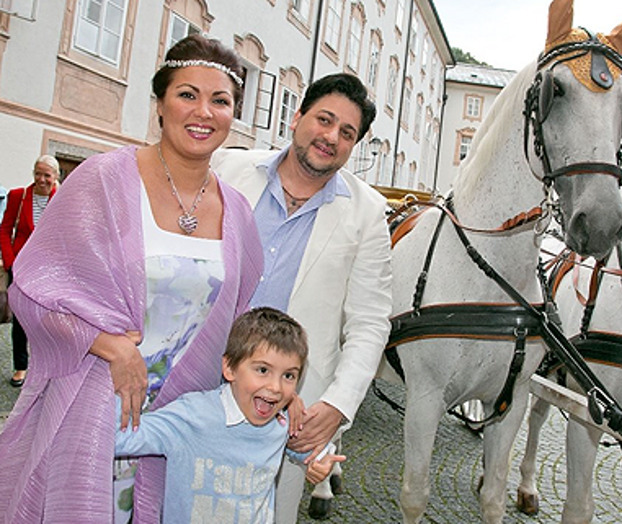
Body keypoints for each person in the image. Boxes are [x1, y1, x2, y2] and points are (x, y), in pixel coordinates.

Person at [0, 34, 263, 523]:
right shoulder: (102, 180)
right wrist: (109, 345)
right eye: (187, 94)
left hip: (176, 425)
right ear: (160, 103)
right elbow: (32, 289)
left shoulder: (239, 214)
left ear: (233, 115)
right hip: (92, 409)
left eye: (220, 100)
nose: (203, 111)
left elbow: (237, 324)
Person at [211, 72, 392, 522]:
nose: (331, 136)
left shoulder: (368, 214)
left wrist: (338, 404)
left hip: (291, 413)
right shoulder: (226, 170)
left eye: (346, 132)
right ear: (297, 117)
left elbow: (370, 323)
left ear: (354, 146)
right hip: (200, 385)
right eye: (324, 120)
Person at [114, 307, 346, 523]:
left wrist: (320, 461)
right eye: (263, 370)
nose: (276, 387)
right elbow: (120, 440)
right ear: (230, 368)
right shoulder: (192, 416)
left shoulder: (281, 422)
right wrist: (111, 370)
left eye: (288, 376)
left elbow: (307, 447)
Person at [0, 154, 59, 387]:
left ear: (56, 177)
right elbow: (4, 230)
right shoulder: (18, 195)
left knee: (46, 319)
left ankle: (45, 366)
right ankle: (21, 367)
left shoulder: (61, 199)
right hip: (20, 266)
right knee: (21, 319)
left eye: (47, 175)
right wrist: (10, 261)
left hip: (47, 269)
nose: (41, 179)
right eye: (38, 173)